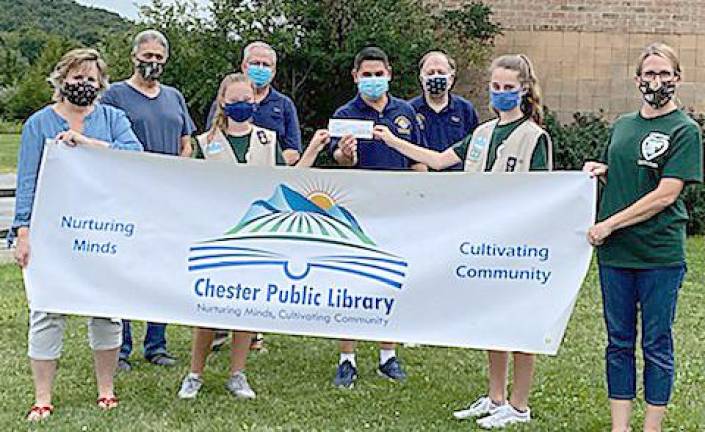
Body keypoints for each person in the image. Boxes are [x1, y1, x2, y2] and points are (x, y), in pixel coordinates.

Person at [376, 54, 551, 428]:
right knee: (492, 322)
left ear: (523, 90)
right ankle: (495, 397)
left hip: (517, 244)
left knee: (519, 322)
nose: (501, 94)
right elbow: (439, 161)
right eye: (496, 87)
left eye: (509, 88)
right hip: (482, 240)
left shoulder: (534, 136)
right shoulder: (483, 133)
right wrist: (394, 142)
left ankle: (519, 406)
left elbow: (542, 194)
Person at [178, 72, 329, 400]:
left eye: (248, 101)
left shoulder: (268, 140)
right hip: (217, 234)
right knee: (209, 306)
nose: (242, 106)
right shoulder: (206, 143)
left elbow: (285, 181)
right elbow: (192, 189)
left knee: (245, 305)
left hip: (255, 235)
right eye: (235, 101)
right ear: (223, 103)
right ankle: (194, 373)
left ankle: (237, 373)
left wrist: (314, 149)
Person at [13, 48, 143, 421]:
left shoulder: (113, 118)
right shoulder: (38, 123)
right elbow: (26, 180)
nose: (82, 84)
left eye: (89, 78)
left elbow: (133, 155)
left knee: (106, 312)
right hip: (53, 233)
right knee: (47, 311)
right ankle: (42, 397)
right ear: (60, 79)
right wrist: (23, 231)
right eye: (75, 76)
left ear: (100, 83)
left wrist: (88, 144)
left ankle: (106, 390)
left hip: (103, 230)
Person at [583, 43, 702, 432]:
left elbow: (666, 194)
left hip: (658, 255)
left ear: (677, 78)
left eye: (665, 74)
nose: (657, 82)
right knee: (618, 342)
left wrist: (610, 224)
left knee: (656, 343)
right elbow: (628, 171)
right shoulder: (623, 125)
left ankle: (651, 428)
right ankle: (621, 427)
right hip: (616, 256)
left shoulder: (684, 130)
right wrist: (603, 170)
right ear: (637, 80)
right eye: (649, 74)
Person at [329, 46, 427, 389]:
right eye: (366, 75)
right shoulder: (345, 113)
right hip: (357, 212)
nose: (373, 80)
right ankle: (347, 358)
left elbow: (419, 161)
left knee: (391, 279)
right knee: (351, 280)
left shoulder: (406, 112)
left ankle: (388, 354)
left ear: (389, 74)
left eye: (378, 73)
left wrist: (420, 197)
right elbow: (340, 160)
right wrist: (345, 153)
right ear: (355, 76)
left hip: (397, 211)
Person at [101, 29, 196, 371]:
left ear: (165, 60)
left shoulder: (174, 96)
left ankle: (156, 344)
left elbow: (188, 140)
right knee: (125, 268)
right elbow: (104, 139)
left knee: (161, 268)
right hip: (128, 193)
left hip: (167, 196)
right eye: (147, 56)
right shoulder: (114, 95)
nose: (152, 62)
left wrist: (180, 166)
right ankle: (121, 347)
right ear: (134, 56)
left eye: (158, 57)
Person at [206, 41, 302, 351]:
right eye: (255, 63)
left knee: (256, 267)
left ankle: (253, 331)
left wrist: (265, 167)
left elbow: (292, 149)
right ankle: (218, 328)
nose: (260, 69)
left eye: (267, 64)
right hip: (223, 198)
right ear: (244, 65)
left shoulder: (283, 105)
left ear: (274, 71)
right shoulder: (228, 97)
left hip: (263, 198)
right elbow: (211, 145)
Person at [409, 50, 479, 170]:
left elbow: (475, 147)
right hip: (421, 181)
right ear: (421, 78)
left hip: (457, 181)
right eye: (430, 73)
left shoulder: (465, 110)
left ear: (451, 78)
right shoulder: (410, 110)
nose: (436, 76)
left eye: (441, 72)